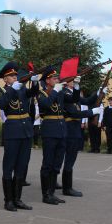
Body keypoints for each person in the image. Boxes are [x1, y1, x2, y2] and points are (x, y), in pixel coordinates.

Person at [0, 61, 38, 211]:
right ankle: (8, 200)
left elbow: (33, 93)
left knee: (22, 166)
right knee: (9, 166)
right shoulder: (3, 90)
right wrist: (12, 89)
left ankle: (17, 199)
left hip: (26, 131)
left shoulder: (21, 89)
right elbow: (2, 104)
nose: (15, 77)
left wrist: (35, 82)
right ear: (5, 79)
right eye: (11, 75)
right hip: (12, 132)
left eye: (15, 75)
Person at [61, 78, 103, 198]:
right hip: (69, 128)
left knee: (71, 158)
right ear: (67, 81)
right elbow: (74, 113)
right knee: (69, 158)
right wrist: (91, 112)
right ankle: (67, 188)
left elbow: (87, 100)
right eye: (72, 79)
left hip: (74, 129)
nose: (74, 81)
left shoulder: (72, 93)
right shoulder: (64, 93)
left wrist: (98, 92)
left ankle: (65, 186)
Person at [37, 66, 68, 205]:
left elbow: (73, 99)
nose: (57, 80)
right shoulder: (42, 94)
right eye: (54, 78)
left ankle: (52, 193)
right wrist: (55, 91)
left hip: (61, 131)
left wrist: (75, 86)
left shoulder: (59, 92)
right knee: (47, 164)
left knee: (57, 164)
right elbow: (47, 105)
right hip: (49, 132)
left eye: (57, 78)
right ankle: (46, 195)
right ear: (47, 80)